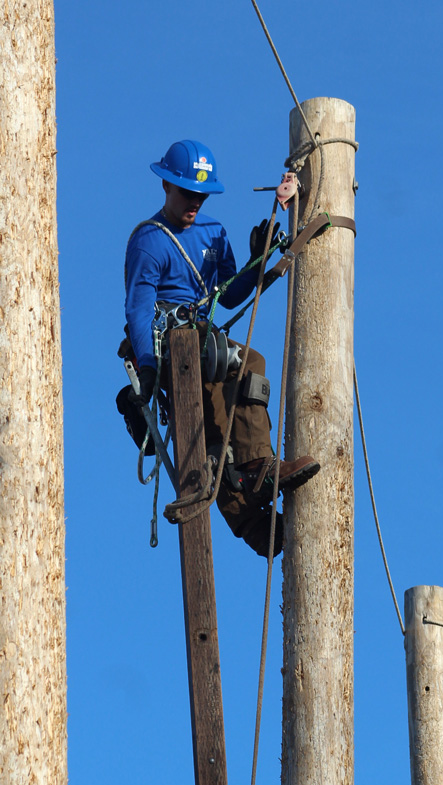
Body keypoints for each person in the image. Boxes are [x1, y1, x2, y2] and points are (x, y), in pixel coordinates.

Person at [117, 139, 319, 557]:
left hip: (204, 336)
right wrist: (149, 368)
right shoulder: (149, 241)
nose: (195, 201)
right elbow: (138, 309)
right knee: (225, 395)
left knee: (225, 406)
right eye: (187, 192)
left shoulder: (214, 233)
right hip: (169, 343)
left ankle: (251, 511)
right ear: (166, 186)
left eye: (202, 195)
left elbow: (230, 295)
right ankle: (256, 475)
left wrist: (257, 259)